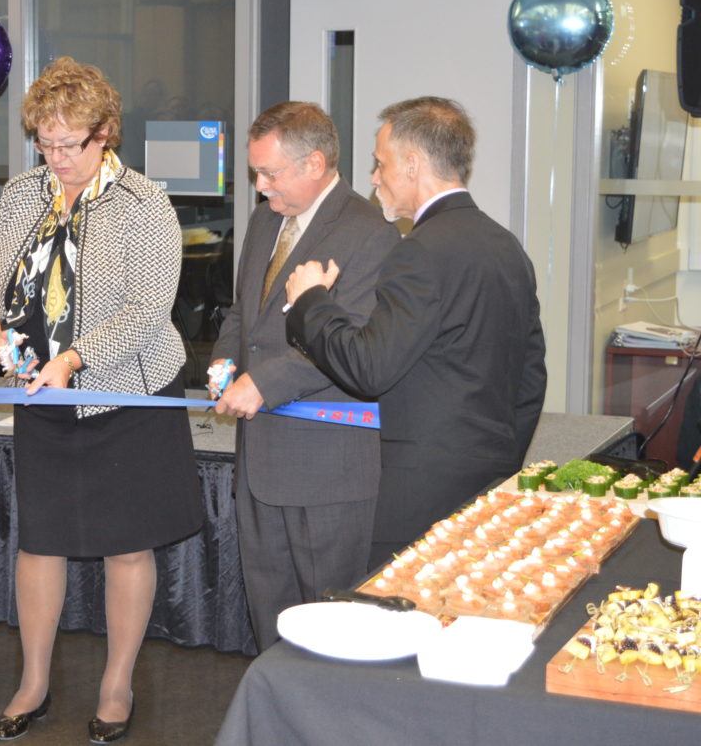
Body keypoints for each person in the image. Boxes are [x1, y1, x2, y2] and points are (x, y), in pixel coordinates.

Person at [0, 57, 202, 744]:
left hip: (126, 395)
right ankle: (33, 682)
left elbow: (148, 311)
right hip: (42, 397)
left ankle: (116, 683)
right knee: (40, 542)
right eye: (45, 140)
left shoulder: (144, 203)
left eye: (71, 143)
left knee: (126, 547)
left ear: (106, 134)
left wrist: (73, 358)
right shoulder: (21, 194)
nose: (57, 156)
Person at [284, 96, 547, 567]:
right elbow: (530, 378)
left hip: (418, 493)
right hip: (492, 476)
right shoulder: (507, 247)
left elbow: (370, 368)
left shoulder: (418, 252)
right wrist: (498, 456)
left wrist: (310, 302)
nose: (373, 177)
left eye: (379, 163)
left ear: (412, 163)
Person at [210, 102, 398, 652]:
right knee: (270, 617)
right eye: (256, 174)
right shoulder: (266, 219)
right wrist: (225, 365)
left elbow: (352, 339)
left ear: (314, 163)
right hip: (259, 460)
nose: (261, 187)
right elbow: (245, 313)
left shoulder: (371, 234)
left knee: (330, 624)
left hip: (327, 469)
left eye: (270, 174)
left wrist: (264, 383)